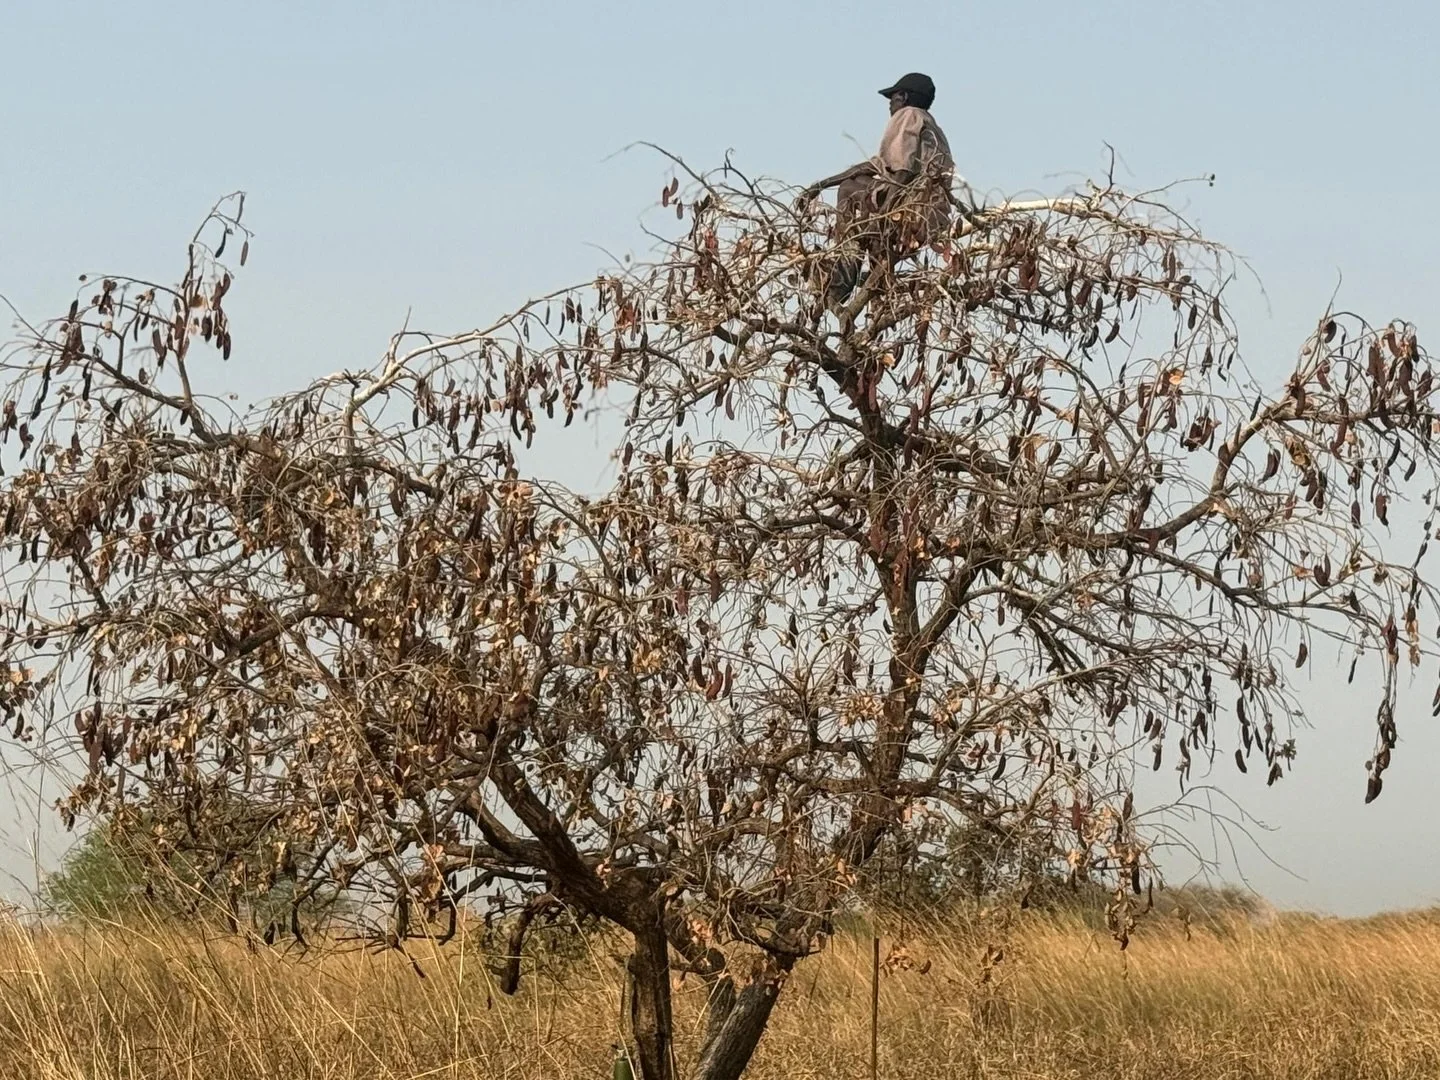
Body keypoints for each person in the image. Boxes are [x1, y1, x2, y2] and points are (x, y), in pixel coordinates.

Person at [801, 72, 955, 307]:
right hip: (933, 213)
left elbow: (902, 170)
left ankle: (846, 268)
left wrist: (883, 215)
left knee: (850, 189)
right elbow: (876, 165)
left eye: (892, 98)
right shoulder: (930, 124)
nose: (890, 105)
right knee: (858, 190)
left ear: (903, 97)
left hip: (916, 206)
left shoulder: (907, 115)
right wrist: (821, 185)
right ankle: (877, 283)